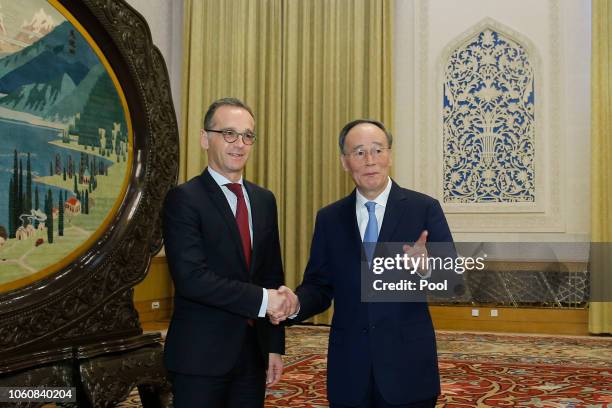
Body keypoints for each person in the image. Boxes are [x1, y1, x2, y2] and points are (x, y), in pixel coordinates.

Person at [279, 119, 456, 407]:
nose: (370, 160)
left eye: (377, 150)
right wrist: (296, 303)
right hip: (350, 367)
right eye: (359, 152)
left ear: (390, 155)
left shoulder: (423, 208)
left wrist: (427, 268)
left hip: (407, 365)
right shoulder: (330, 218)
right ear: (345, 162)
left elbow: (451, 280)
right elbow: (319, 285)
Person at [162, 97, 295, 407]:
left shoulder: (264, 200)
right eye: (229, 134)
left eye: (248, 135)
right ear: (205, 138)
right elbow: (191, 279)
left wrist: (274, 346)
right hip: (200, 357)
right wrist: (264, 301)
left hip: (252, 353)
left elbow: (271, 274)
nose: (240, 144)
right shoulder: (184, 199)